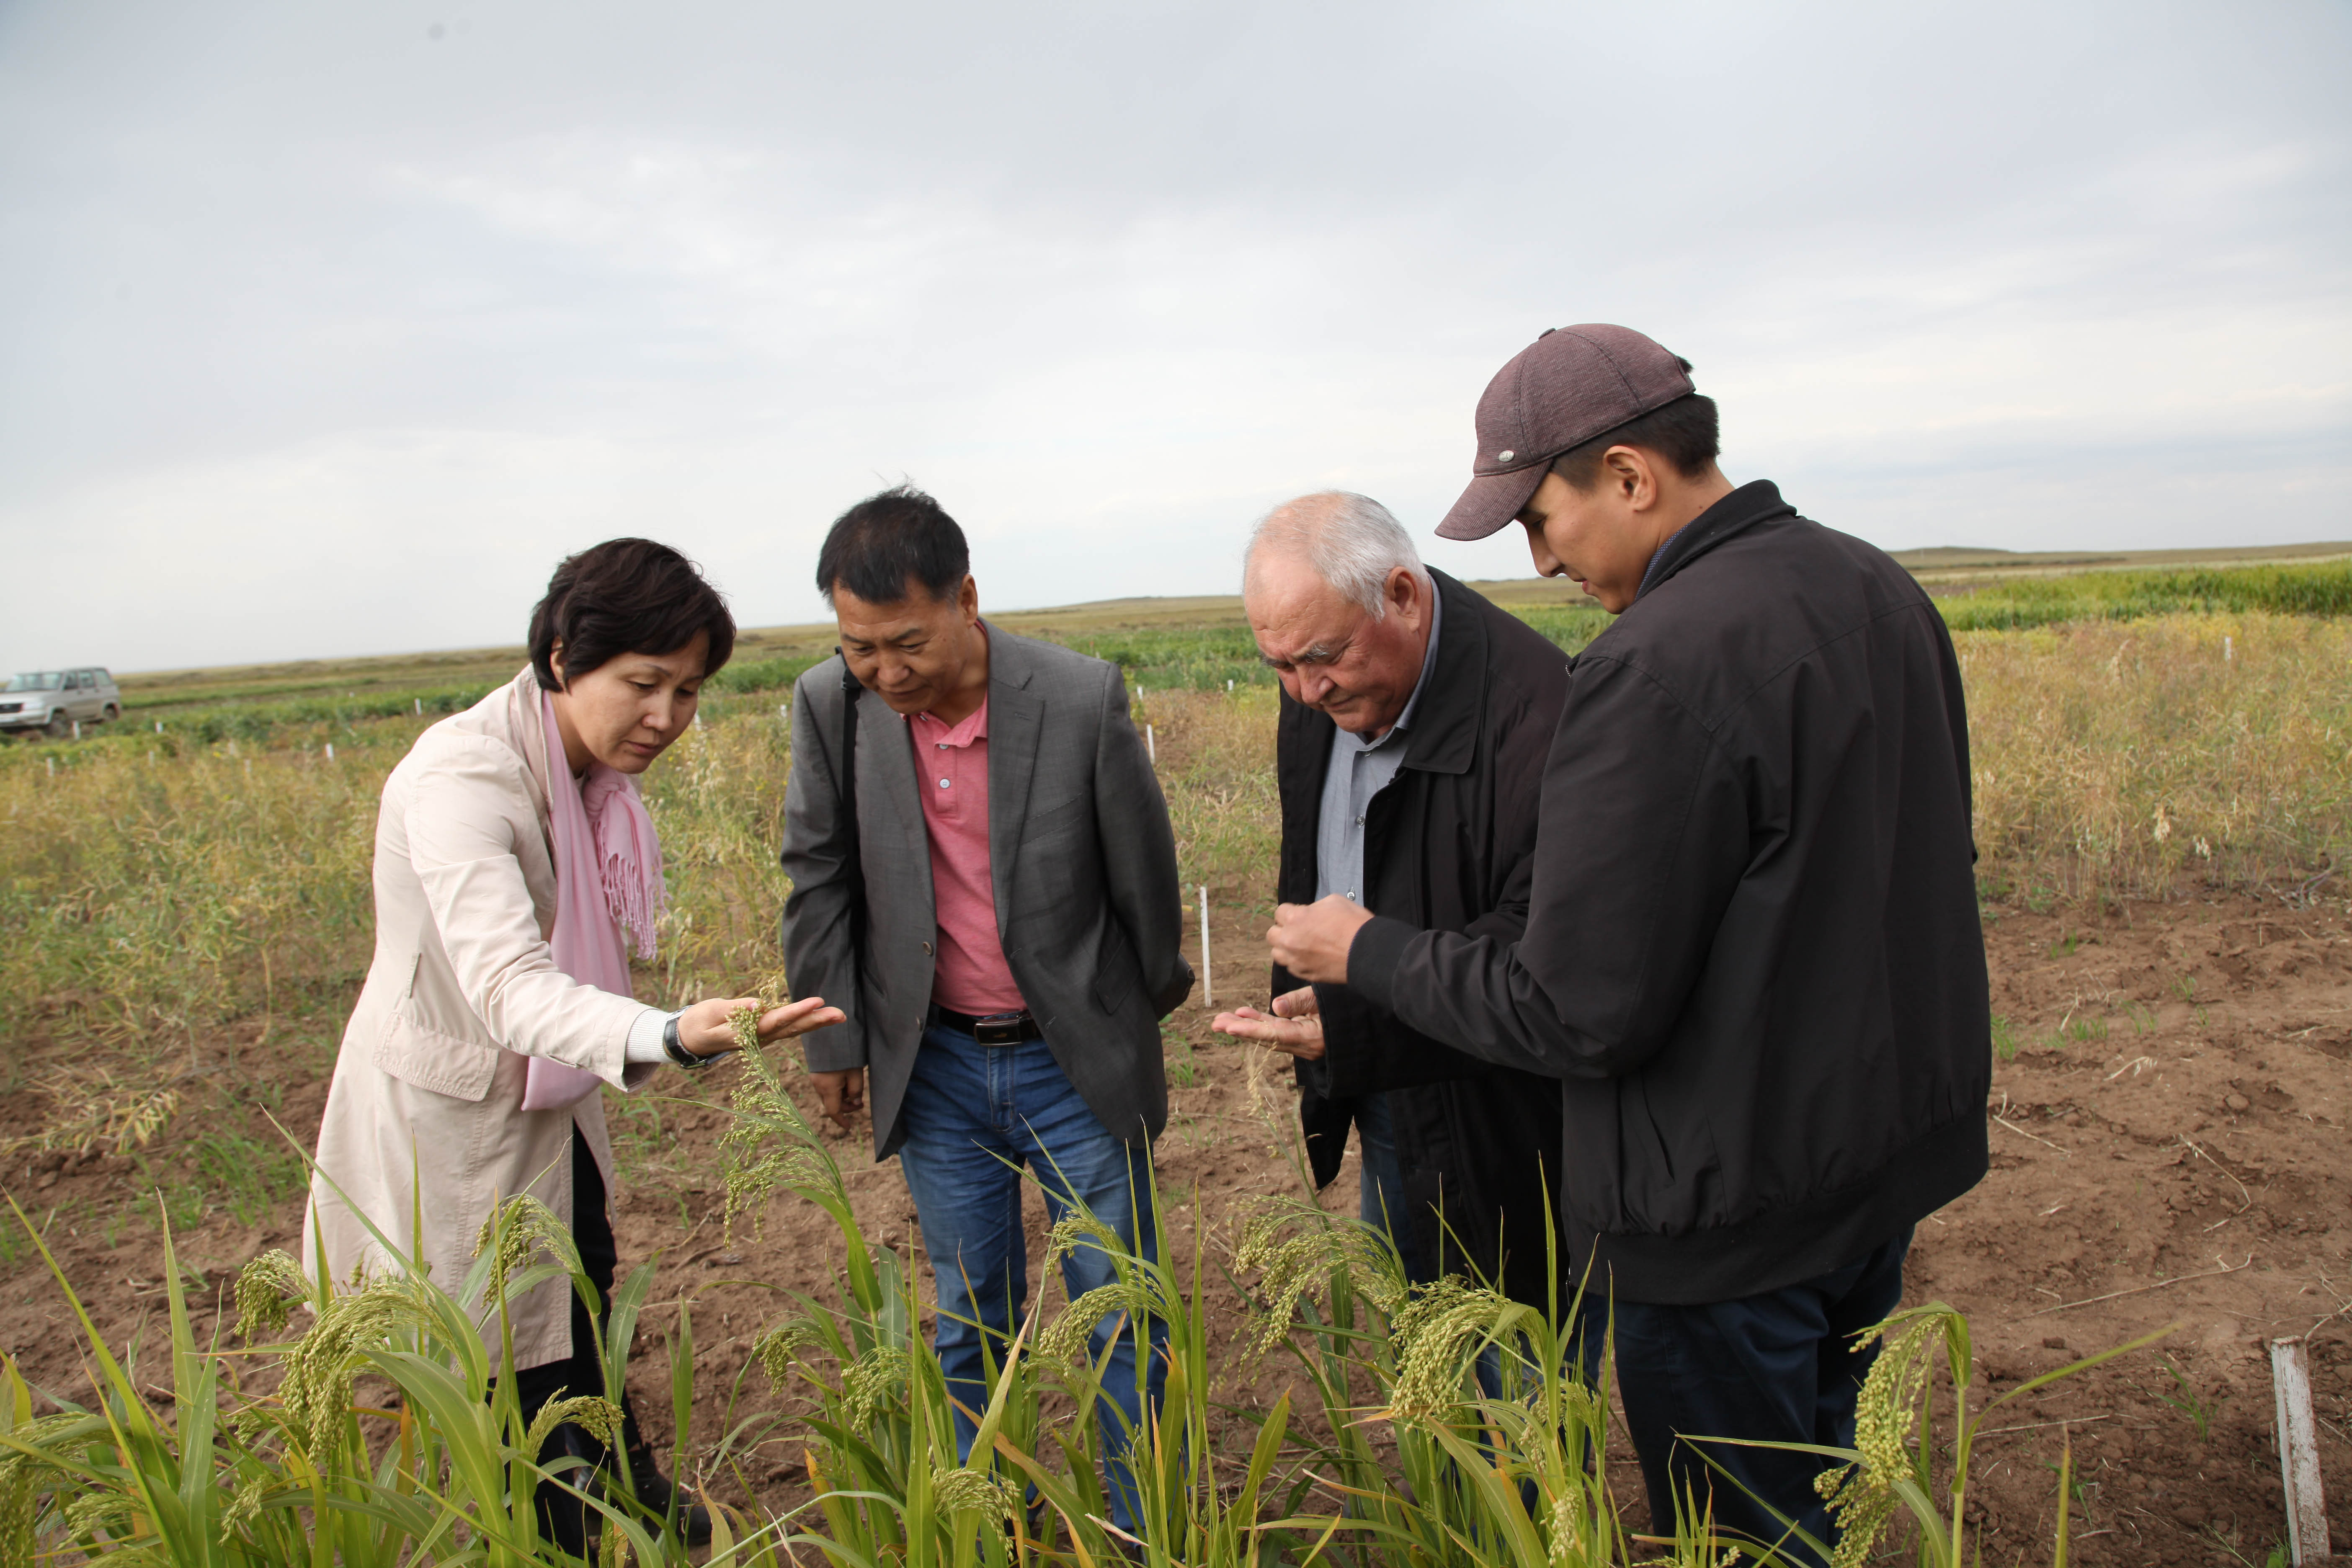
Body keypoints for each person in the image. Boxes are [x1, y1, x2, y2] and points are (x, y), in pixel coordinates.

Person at [1265, 325, 1990, 1562]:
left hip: (1727, 1221)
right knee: (1827, 1500)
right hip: (1878, 1173)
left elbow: (1576, 1008)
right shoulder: (1882, 589)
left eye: (1543, 521)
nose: (1542, 561)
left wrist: (1370, 950)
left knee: (1746, 1535)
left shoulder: (1652, 671)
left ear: (1630, 475)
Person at [307, 538, 844, 1553]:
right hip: (456, 1110)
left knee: (584, 1277)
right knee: (510, 1341)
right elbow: (508, 985)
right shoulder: (463, 778)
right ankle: (564, 1528)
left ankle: (621, 1476)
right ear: (563, 656)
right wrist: (672, 1032)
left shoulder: (586, 774)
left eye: (688, 692)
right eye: (644, 685)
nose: (666, 719)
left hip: (553, 1086)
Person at [779, 485, 1194, 1536]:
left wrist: (1128, 1015)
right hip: (940, 1068)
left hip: (1073, 1061)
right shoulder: (831, 707)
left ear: (967, 598)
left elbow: (1144, 880)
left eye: (906, 642)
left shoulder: (1077, 696)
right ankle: (991, 1529)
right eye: (861, 647)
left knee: (1123, 1315)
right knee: (972, 1322)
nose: (885, 672)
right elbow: (819, 875)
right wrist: (834, 1029)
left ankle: (1141, 1538)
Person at [1210, 492, 1569, 1319]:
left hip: (1505, 1119)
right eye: (1280, 666)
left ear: (1402, 597)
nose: (1303, 691)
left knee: (1521, 1365)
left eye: (1320, 658)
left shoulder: (1544, 715)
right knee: (1415, 1341)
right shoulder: (1322, 682)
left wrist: (1363, 1013)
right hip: (1379, 1080)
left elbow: (1538, 955)